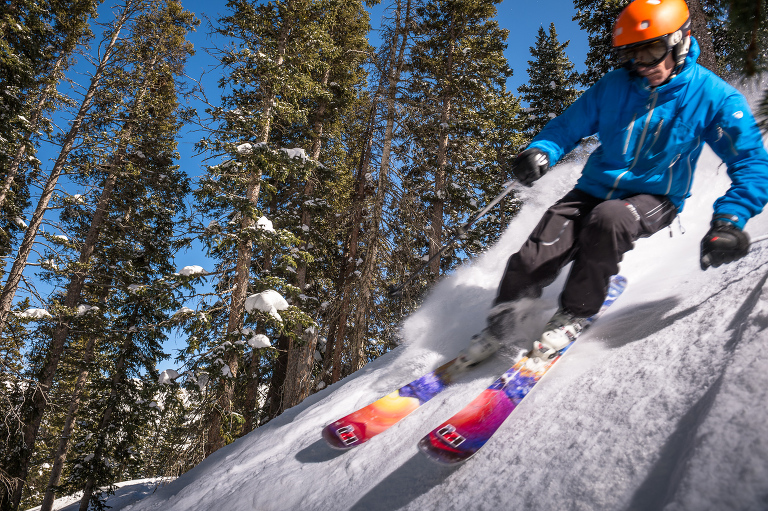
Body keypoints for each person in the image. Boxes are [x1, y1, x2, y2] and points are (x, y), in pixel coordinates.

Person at [452, 0, 768, 372]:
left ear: (680, 41)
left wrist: (730, 221)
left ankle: (573, 314)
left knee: (609, 219)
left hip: (656, 196)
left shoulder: (712, 97)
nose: (644, 65)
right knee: (533, 256)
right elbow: (568, 126)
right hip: (593, 187)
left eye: (651, 51)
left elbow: (750, 162)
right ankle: (503, 323)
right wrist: (540, 152)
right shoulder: (616, 86)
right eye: (633, 55)